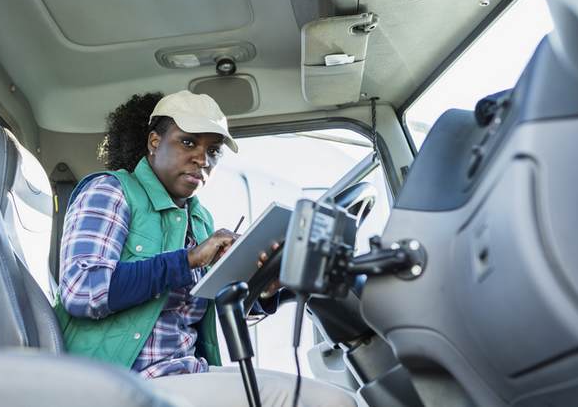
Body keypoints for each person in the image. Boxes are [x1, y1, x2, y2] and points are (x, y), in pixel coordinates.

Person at [54, 90, 356, 407]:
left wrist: (264, 289)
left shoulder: (199, 219)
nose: (203, 159)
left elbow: (210, 303)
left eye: (213, 150)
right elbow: (83, 290)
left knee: (332, 396)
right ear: (154, 142)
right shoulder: (111, 190)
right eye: (188, 142)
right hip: (127, 380)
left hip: (186, 372)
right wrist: (189, 259)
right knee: (325, 403)